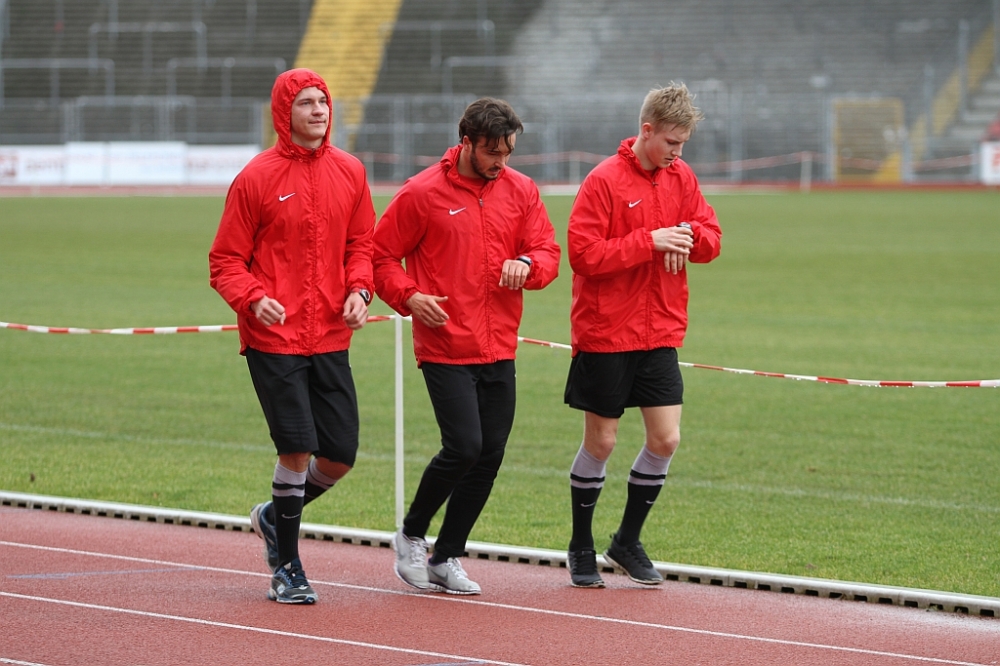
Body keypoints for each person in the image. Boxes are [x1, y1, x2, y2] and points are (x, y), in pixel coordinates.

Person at [373, 98, 561, 595]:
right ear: (466, 142)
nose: (502, 161)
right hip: (445, 343)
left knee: (490, 455)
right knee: (464, 447)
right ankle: (411, 535)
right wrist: (410, 297)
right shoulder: (421, 192)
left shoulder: (521, 190)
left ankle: (446, 555)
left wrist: (528, 264)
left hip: (500, 344)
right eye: (493, 151)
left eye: (509, 151)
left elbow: (548, 252)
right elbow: (379, 256)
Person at [208, 68, 375, 604]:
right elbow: (224, 261)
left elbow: (362, 246)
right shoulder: (255, 177)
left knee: (340, 455)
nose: (318, 110)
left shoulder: (350, 170)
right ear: (285, 112)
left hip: (330, 335)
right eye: (306, 103)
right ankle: (288, 566)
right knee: (297, 448)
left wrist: (361, 290)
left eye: (323, 101)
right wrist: (253, 298)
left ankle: (271, 519)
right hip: (273, 338)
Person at [562, 83, 722, 588]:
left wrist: (690, 237)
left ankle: (626, 541)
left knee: (666, 438)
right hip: (607, 331)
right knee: (602, 442)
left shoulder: (682, 177)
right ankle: (580, 545)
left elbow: (712, 239)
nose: (678, 153)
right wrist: (648, 241)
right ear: (647, 131)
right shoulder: (603, 180)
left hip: (660, 330)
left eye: (684, 144)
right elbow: (583, 255)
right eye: (672, 142)